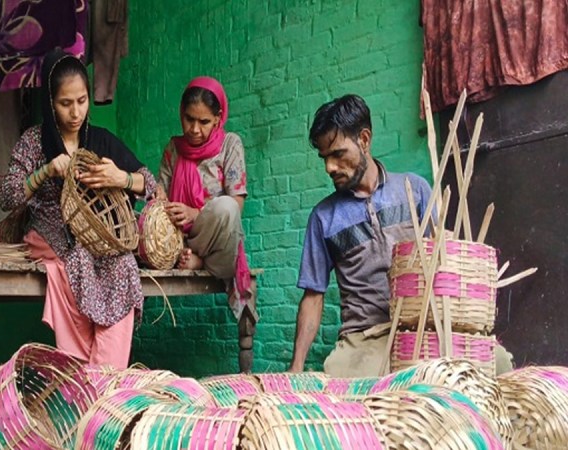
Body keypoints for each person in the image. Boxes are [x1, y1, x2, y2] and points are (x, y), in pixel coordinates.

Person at [289, 94, 513, 377]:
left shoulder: (415, 189)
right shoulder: (323, 217)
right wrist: (296, 367)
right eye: (324, 158)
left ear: (365, 140)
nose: (329, 167)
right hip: (366, 337)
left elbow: (442, 257)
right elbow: (313, 295)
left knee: (499, 363)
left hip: (424, 327)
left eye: (337, 154)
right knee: (342, 379)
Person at [0, 49, 156, 369]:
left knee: (124, 262)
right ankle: (90, 373)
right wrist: (45, 171)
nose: (75, 113)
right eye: (65, 103)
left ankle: (100, 375)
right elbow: (8, 196)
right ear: (49, 101)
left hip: (96, 236)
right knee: (79, 256)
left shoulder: (101, 140)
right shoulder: (34, 141)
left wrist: (122, 178)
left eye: (82, 101)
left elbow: (151, 184)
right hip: (50, 231)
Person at [156, 77, 252, 310]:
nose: (195, 129)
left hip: (216, 239)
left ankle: (203, 261)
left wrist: (195, 214)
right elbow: (161, 196)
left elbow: (237, 205)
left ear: (218, 119)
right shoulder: (174, 149)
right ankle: (191, 258)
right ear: (181, 113)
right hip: (178, 242)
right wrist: (160, 201)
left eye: (204, 122)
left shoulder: (230, 144)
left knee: (227, 207)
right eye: (189, 119)